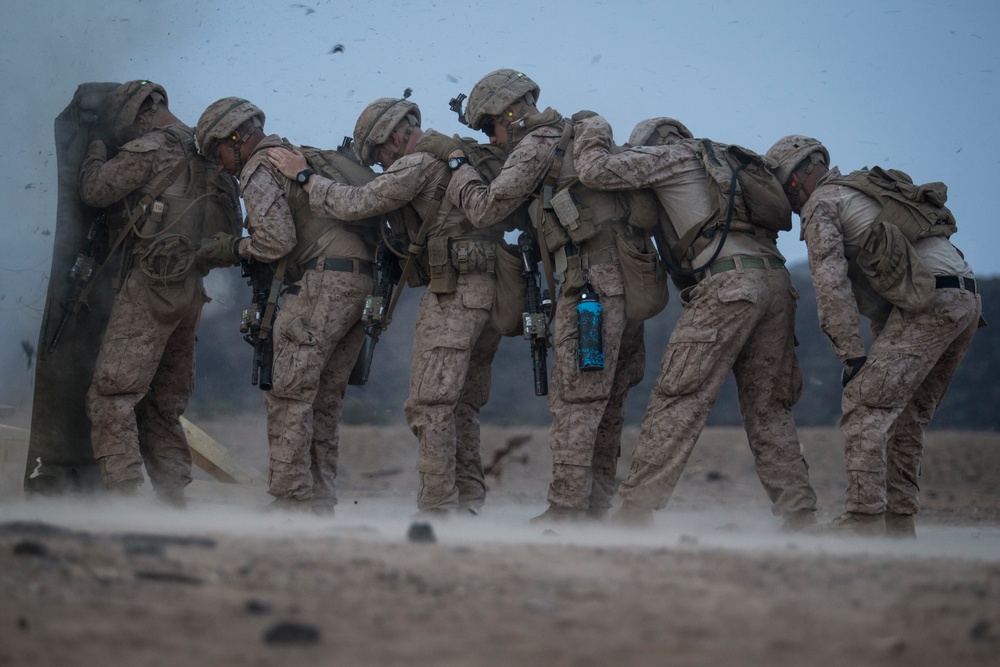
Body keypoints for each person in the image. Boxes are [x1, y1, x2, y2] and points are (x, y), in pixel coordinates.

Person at [267, 96, 518, 515]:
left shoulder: (418, 163)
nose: (382, 164)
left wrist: (305, 176)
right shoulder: (452, 156)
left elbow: (357, 203)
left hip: (456, 290)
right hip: (492, 287)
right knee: (460, 404)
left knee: (430, 403)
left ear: (397, 135)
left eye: (380, 154)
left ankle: (439, 507)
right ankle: (468, 502)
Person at [569, 115, 818, 529]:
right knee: (769, 409)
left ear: (652, 144)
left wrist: (593, 128)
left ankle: (636, 510)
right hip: (777, 284)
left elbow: (594, 170)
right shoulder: (725, 162)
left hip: (728, 284)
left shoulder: (670, 157)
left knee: (679, 396)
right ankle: (800, 513)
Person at [423, 69, 649, 522]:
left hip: (590, 285)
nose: (492, 137)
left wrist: (454, 161)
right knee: (604, 404)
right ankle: (594, 508)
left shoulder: (536, 144)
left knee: (576, 400)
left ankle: (566, 511)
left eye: (489, 127)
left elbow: (487, 207)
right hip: (623, 280)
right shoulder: (569, 138)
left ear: (510, 110)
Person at [766, 135, 983, 536]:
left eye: (783, 185)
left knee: (865, 404)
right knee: (908, 416)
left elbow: (831, 285)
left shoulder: (822, 205)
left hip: (930, 301)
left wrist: (850, 355)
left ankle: (863, 519)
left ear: (797, 177)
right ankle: (900, 523)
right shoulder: (862, 191)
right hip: (965, 299)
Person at [194, 97, 380, 514]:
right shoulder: (296, 157)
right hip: (359, 285)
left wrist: (231, 247)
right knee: (323, 400)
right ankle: (318, 501)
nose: (220, 165)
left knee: (288, 392)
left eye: (218, 153)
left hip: (321, 285)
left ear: (236, 138)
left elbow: (275, 241)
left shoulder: (261, 168)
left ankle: (291, 499)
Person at [79, 80, 240, 506]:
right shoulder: (209, 153)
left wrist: (95, 149)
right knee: (161, 407)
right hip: (191, 292)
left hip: (151, 288)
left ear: (142, 113)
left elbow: (95, 191)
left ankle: (125, 501)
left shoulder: (152, 148)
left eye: (127, 126)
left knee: (111, 396)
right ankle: (173, 502)